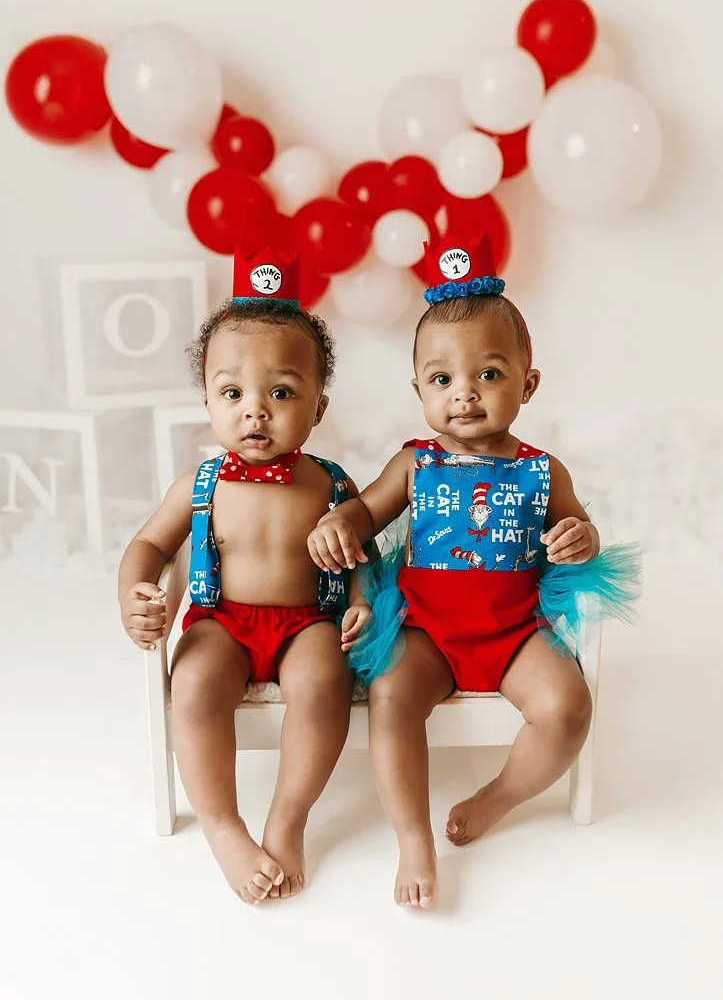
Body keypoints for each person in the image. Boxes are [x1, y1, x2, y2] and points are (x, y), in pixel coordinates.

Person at [308, 233, 639, 910]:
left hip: (514, 629)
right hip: (427, 628)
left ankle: (499, 796)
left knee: (567, 709)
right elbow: (366, 511)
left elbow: (581, 530)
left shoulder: (542, 470)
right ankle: (412, 839)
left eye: (488, 374)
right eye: (442, 380)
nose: (464, 394)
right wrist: (341, 520)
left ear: (527, 382)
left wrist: (578, 538)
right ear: (418, 391)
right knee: (391, 699)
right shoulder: (414, 462)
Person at [119, 248, 369, 905]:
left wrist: (361, 601)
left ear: (318, 406)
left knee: (325, 679)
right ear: (207, 400)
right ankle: (224, 826)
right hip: (222, 622)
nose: (255, 411)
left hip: (307, 622)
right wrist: (135, 592)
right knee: (194, 684)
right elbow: (149, 544)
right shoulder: (199, 484)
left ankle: (289, 817)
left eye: (281, 392)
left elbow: (364, 552)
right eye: (233, 393)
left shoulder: (332, 485)